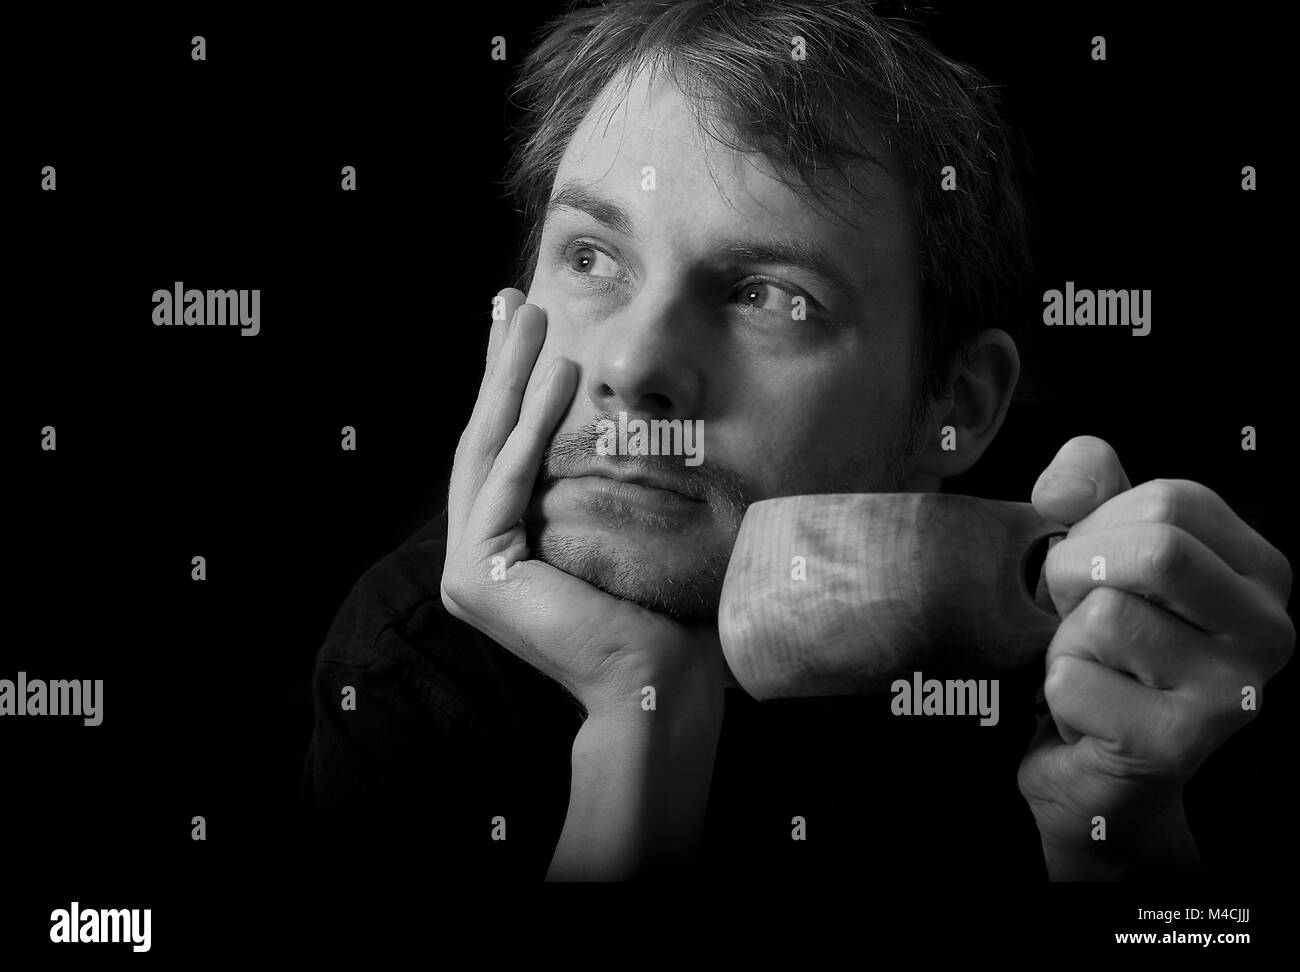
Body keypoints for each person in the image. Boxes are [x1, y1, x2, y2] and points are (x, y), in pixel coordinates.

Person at [303, 0, 1293, 881]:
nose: (633, 367)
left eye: (769, 296)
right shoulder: (417, 662)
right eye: (592, 256)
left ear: (955, 403)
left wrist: (1123, 852)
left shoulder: (1122, 664)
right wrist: (643, 714)